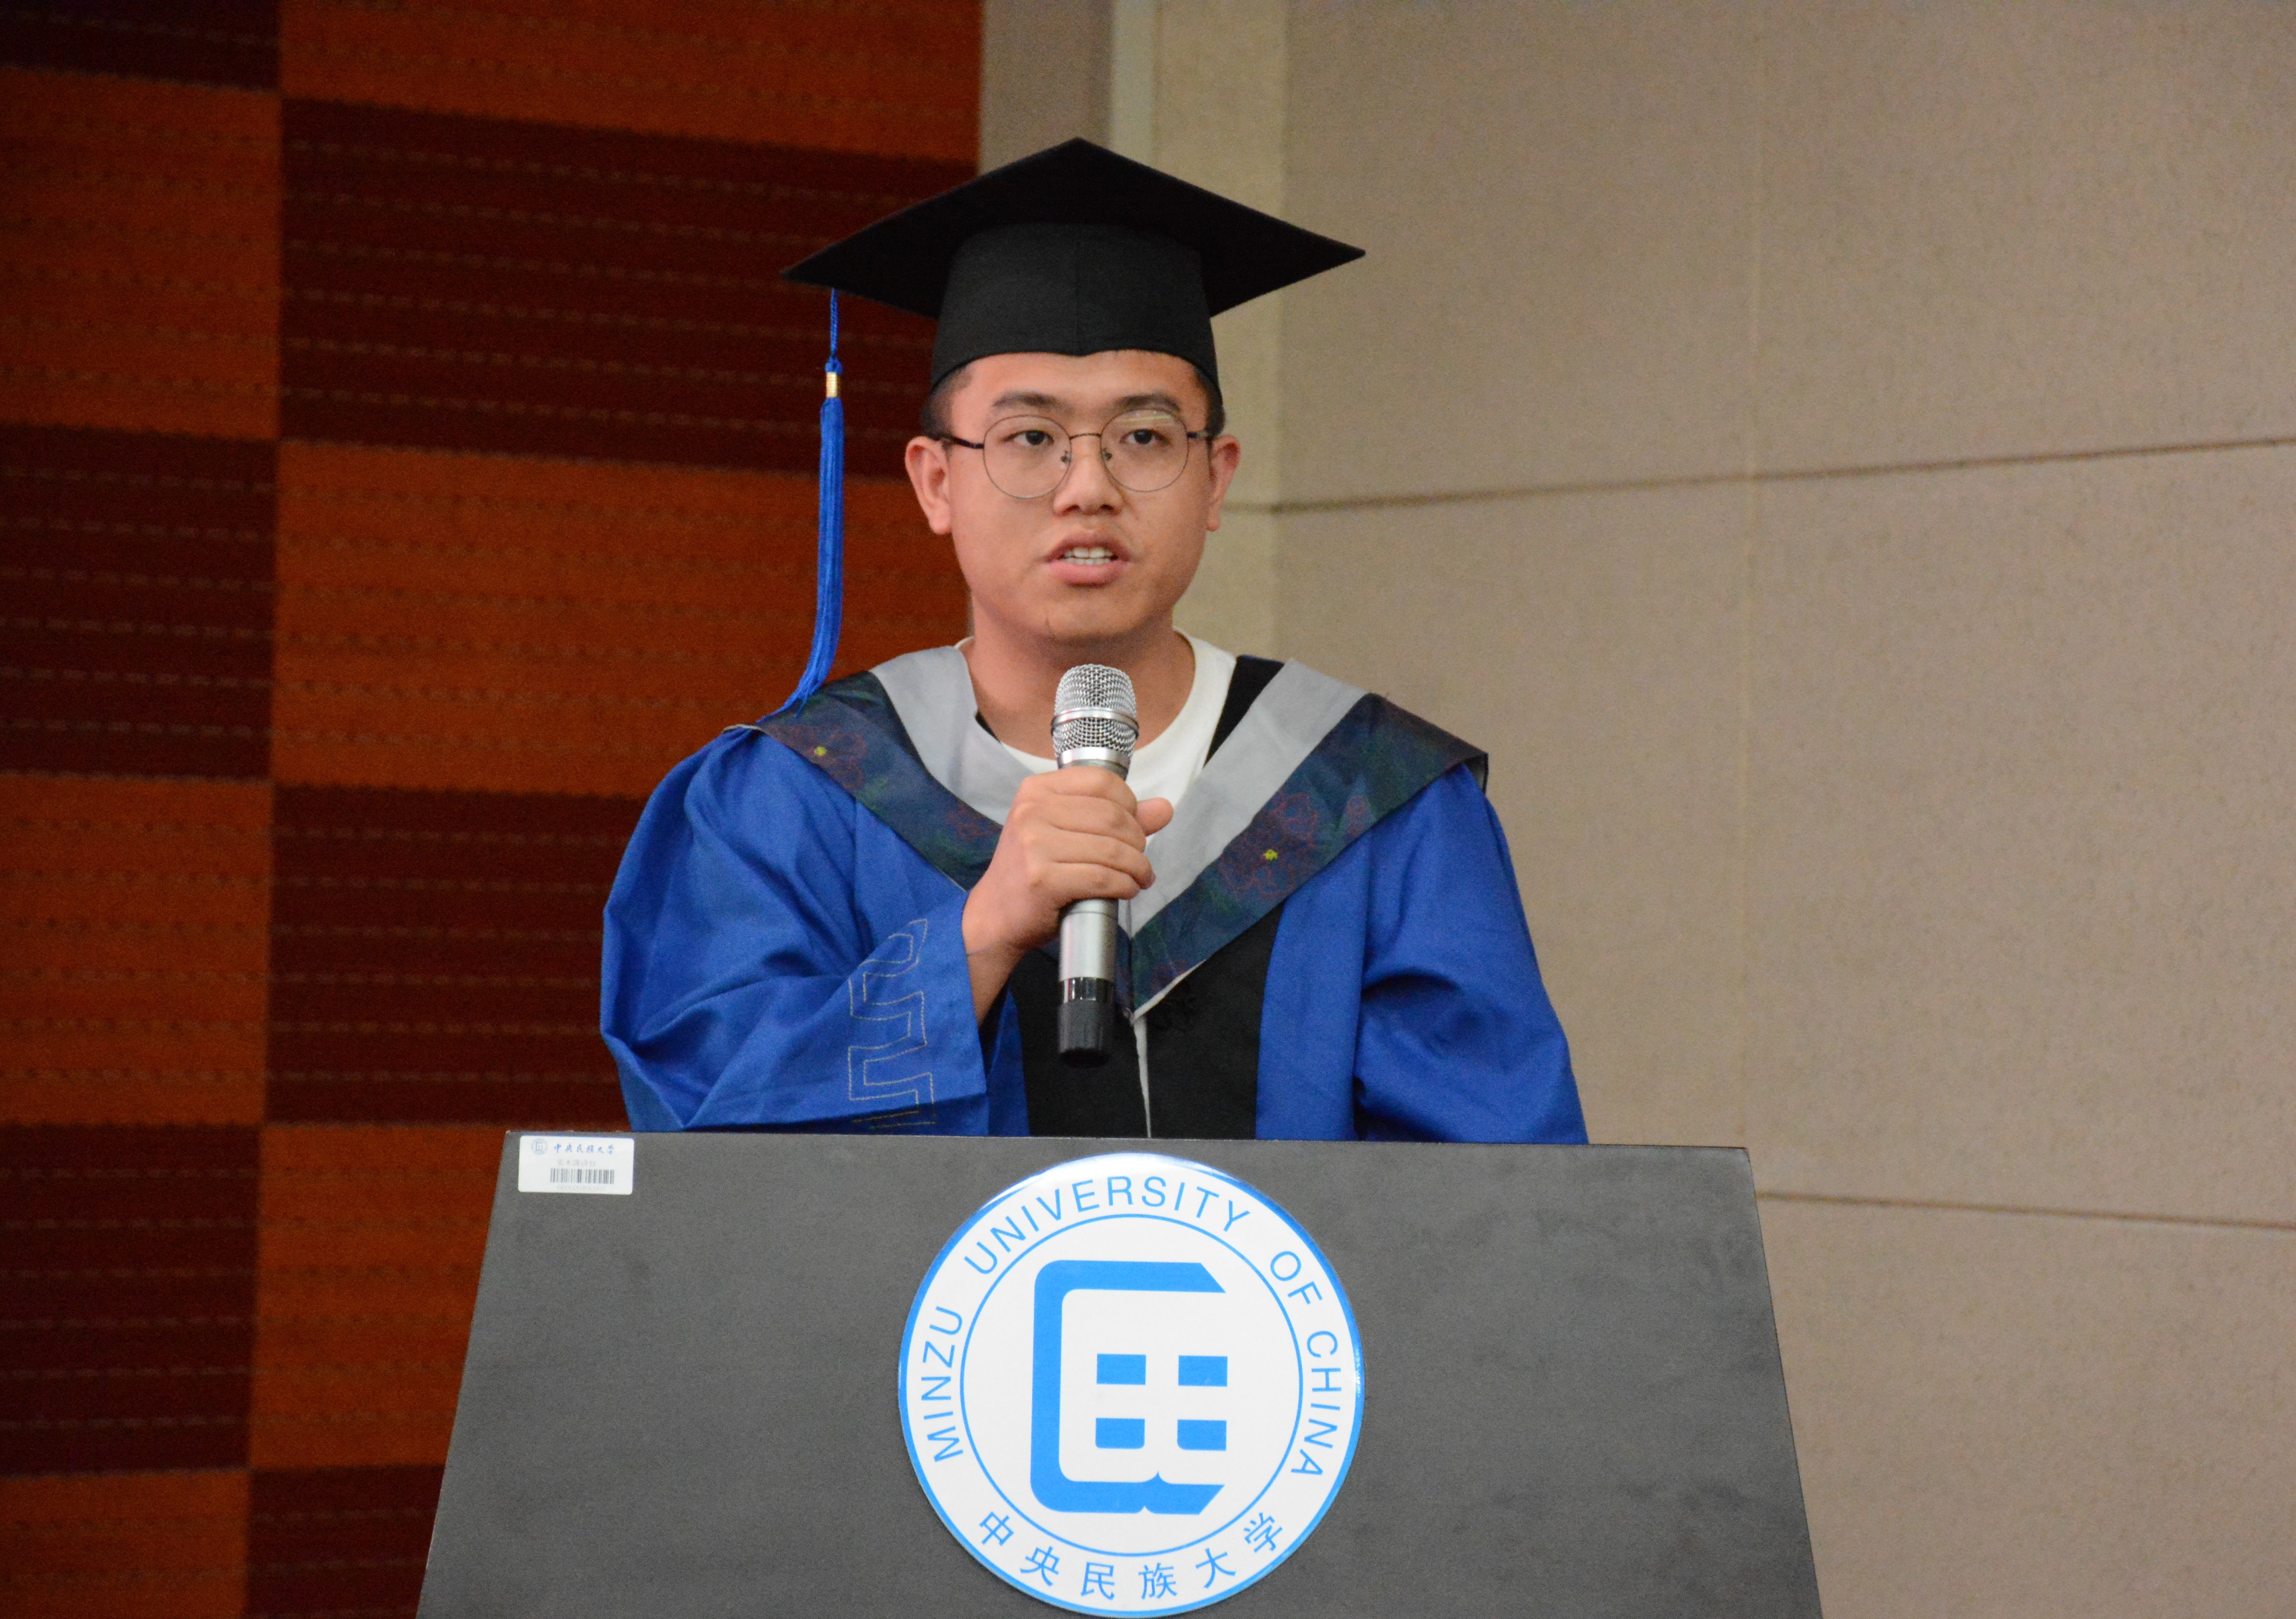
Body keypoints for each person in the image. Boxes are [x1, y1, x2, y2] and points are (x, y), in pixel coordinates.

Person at [602, 140, 1584, 1144]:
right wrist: (978, 939)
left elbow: (1493, 1192)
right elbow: (708, 1150)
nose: (1088, 487)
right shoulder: (795, 797)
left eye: (1144, 438)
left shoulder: (1370, 797)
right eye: (1029, 438)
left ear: (1217, 479)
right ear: (936, 483)